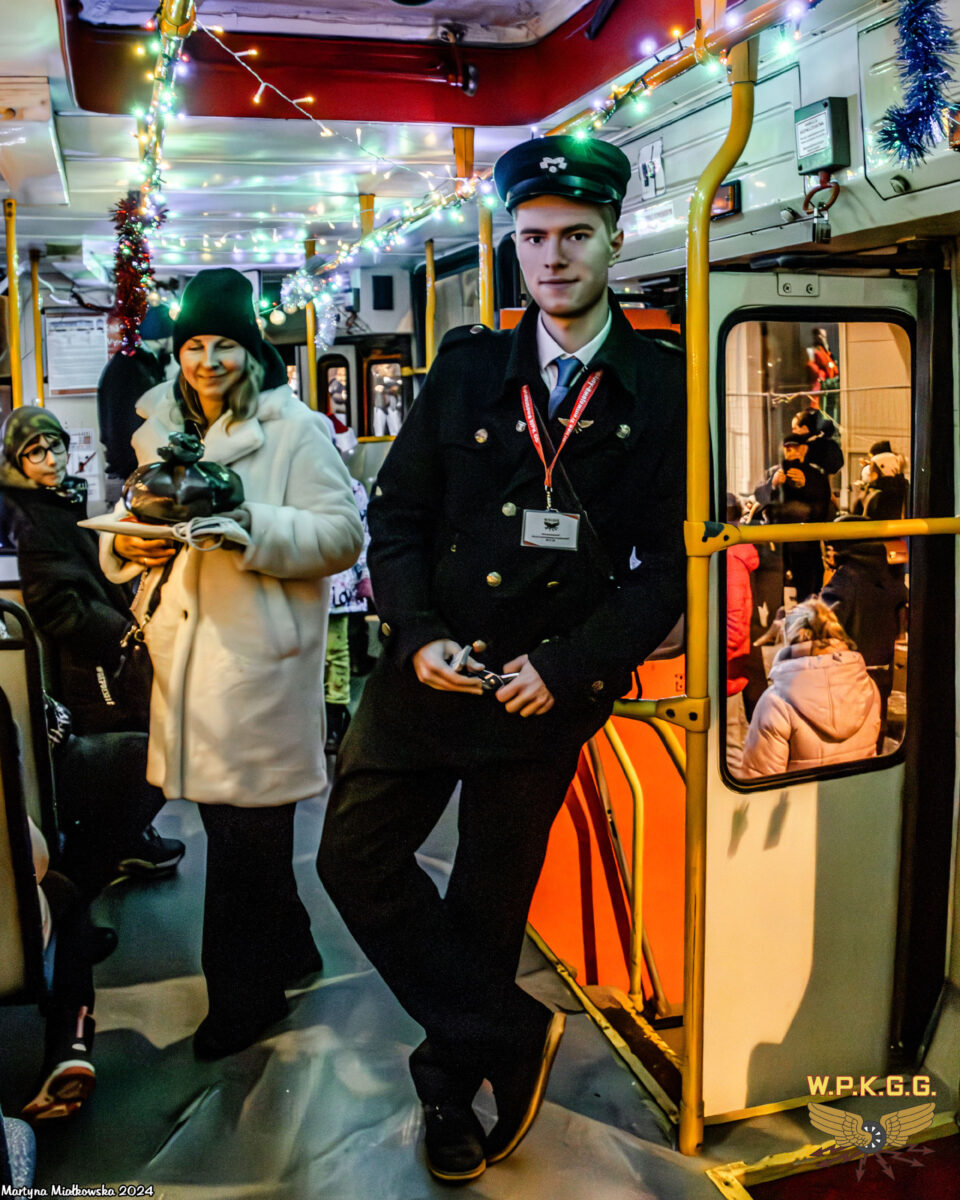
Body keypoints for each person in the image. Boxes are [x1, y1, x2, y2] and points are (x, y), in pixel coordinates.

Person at [318, 134, 685, 1184]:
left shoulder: (663, 387)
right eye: (533, 237)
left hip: (542, 698)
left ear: (614, 239)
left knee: (487, 909)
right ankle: (509, 1033)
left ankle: (450, 1094)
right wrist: (416, 633)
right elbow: (397, 519)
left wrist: (569, 669)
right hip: (430, 677)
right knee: (352, 859)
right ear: (513, 245)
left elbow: (668, 569)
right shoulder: (471, 367)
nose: (553, 257)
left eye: (576, 235)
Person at [101, 268, 363, 1059]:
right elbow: (131, 518)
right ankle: (292, 947)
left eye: (224, 345)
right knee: (236, 827)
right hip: (187, 661)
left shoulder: (294, 430)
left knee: (244, 841)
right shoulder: (157, 431)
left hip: (257, 664)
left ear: (251, 352)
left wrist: (248, 526)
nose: (207, 361)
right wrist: (135, 545)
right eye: (194, 345)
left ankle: (242, 1002)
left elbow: (342, 535)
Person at [0, 406, 184, 879]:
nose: (50, 459)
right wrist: (123, 636)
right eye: (34, 452)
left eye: (55, 446)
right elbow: (56, 603)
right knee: (147, 752)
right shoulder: (29, 516)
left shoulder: (58, 499)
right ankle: (104, 856)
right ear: (16, 462)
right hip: (87, 666)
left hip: (100, 656)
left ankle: (129, 838)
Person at [739, 598, 880, 778]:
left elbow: (759, 779)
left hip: (800, 797)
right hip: (860, 794)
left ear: (789, 638)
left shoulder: (775, 702)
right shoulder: (868, 688)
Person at [821, 519, 907, 751]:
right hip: (883, 667)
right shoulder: (889, 574)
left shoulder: (845, 578)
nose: (827, 555)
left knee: (849, 729)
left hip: (850, 668)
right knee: (876, 721)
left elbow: (825, 624)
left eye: (830, 548)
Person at [96, 303, 175, 490]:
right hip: (136, 471)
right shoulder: (132, 368)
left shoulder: (138, 363)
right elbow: (129, 423)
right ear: (162, 337)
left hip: (136, 468)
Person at [725, 495, 759, 774]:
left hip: (725, 668)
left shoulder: (728, 558)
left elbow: (734, 624)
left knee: (731, 748)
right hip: (730, 668)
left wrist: (709, 659)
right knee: (738, 738)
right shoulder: (734, 553)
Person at [852, 439, 907, 520]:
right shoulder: (901, 488)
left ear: (882, 470)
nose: (869, 472)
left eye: (872, 469)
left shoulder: (880, 496)